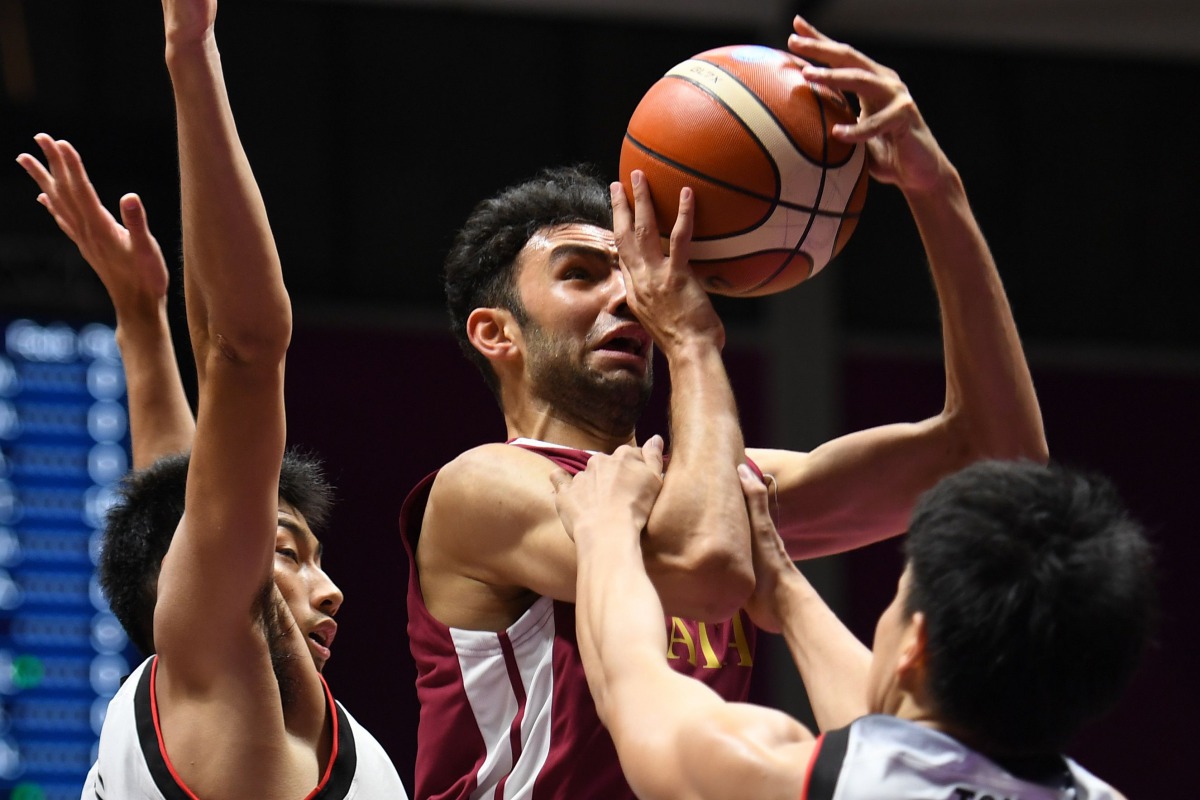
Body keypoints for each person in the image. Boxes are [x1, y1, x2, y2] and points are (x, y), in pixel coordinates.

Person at [400, 14, 1048, 799]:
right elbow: (702, 569)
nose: (630, 297)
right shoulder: (481, 487)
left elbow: (999, 462)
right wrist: (693, 341)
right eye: (581, 274)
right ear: (495, 333)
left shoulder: (714, 488)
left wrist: (935, 191)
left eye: (634, 273)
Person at [17, 2, 409, 796]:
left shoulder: (200, 696)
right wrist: (192, 55)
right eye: (288, 552)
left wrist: (141, 318)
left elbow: (178, 485)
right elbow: (243, 350)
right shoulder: (223, 693)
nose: (331, 589)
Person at [553, 444, 1154, 800]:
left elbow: (629, 685)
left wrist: (605, 528)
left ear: (915, 644)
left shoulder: (779, 773)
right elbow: (900, 742)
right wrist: (785, 590)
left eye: (900, 597)